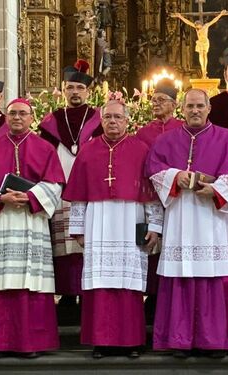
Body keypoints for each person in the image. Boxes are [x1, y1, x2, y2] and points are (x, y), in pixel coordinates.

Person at [145, 89, 228, 358]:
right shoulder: (166, 141)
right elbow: (154, 170)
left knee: (214, 276)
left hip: (213, 218)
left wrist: (217, 190)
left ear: (209, 108)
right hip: (180, 216)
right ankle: (179, 340)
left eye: (200, 106)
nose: (195, 111)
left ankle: (214, 341)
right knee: (181, 276)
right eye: (190, 106)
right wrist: (174, 176)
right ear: (182, 108)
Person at [0, 98, 66, 359]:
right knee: (2, 282)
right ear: (6, 117)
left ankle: (30, 342)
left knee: (32, 282)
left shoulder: (44, 148)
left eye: (22, 113)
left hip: (32, 223)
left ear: (31, 117)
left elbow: (55, 186)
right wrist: (1, 198)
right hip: (3, 223)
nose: (17, 118)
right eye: (12, 114)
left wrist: (31, 197)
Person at [64, 100, 163, 358]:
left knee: (129, 284)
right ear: (101, 120)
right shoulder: (87, 150)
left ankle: (132, 341)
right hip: (98, 221)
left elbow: (151, 193)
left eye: (118, 117)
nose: (113, 122)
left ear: (127, 120)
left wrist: (154, 225)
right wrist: (78, 227)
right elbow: (78, 195)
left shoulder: (141, 149)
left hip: (132, 219)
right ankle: (101, 341)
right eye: (107, 117)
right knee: (101, 283)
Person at [39, 60, 103, 320]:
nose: (75, 92)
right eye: (70, 88)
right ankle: (66, 294)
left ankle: (87, 292)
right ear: (63, 90)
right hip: (61, 189)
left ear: (88, 92)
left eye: (79, 88)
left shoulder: (100, 119)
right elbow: (42, 156)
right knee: (63, 245)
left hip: (91, 191)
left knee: (88, 241)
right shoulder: (51, 122)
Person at [135, 79, 184, 319]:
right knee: (151, 244)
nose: (155, 104)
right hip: (151, 194)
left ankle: (173, 294)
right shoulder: (143, 132)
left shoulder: (183, 129)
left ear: (174, 105)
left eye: (161, 100)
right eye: (153, 100)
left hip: (179, 195)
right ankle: (152, 295)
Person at [170, 10, 228, 78]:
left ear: (201, 25)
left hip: (205, 42)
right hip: (200, 43)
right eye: (197, 28)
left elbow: (214, 20)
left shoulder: (206, 26)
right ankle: (203, 70)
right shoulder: (196, 27)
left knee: (205, 56)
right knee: (201, 56)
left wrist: (220, 14)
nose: (198, 29)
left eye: (199, 27)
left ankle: (205, 71)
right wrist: (180, 16)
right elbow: (188, 22)